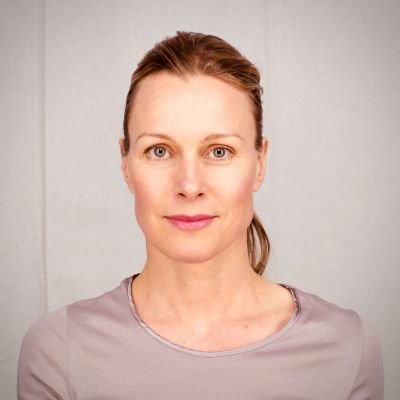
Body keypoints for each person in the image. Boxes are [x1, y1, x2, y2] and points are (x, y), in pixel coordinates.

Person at [17, 31, 384, 399]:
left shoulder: (347, 349)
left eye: (219, 151)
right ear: (125, 164)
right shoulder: (60, 351)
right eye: (160, 151)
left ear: (260, 163)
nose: (189, 186)